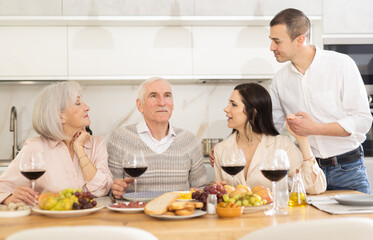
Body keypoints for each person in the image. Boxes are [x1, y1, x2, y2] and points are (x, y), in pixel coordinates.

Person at [269, 8, 372, 193]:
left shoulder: (341, 64)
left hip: (348, 170)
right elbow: (269, 128)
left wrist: (314, 128)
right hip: (307, 173)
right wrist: (229, 148)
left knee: (360, 222)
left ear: (300, 39)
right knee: (311, 223)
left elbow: (362, 120)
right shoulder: (280, 79)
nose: (271, 47)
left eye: (277, 41)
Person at [0, 82, 113, 205]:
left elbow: (102, 190)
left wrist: (79, 149)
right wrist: (10, 199)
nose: (87, 107)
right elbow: (2, 188)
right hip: (48, 221)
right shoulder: (35, 147)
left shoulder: (97, 144)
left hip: (91, 220)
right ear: (60, 117)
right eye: (78, 103)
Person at [213, 83, 326, 194]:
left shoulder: (281, 145)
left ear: (253, 112)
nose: (226, 109)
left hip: (273, 211)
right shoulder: (221, 150)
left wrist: (303, 140)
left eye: (233, 104)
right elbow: (221, 195)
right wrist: (218, 189)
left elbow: (315, 187)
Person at [108, 77, 209, 199]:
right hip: (136, 215)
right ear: (140, 105)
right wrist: (115, 189)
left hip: (177, 215)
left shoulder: (189, 140)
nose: (162, 103)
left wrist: (199, 192)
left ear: (172, 104)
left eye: (167, 96)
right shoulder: (120, 138)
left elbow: (202, 188)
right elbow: (110, 190)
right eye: (153, 96)